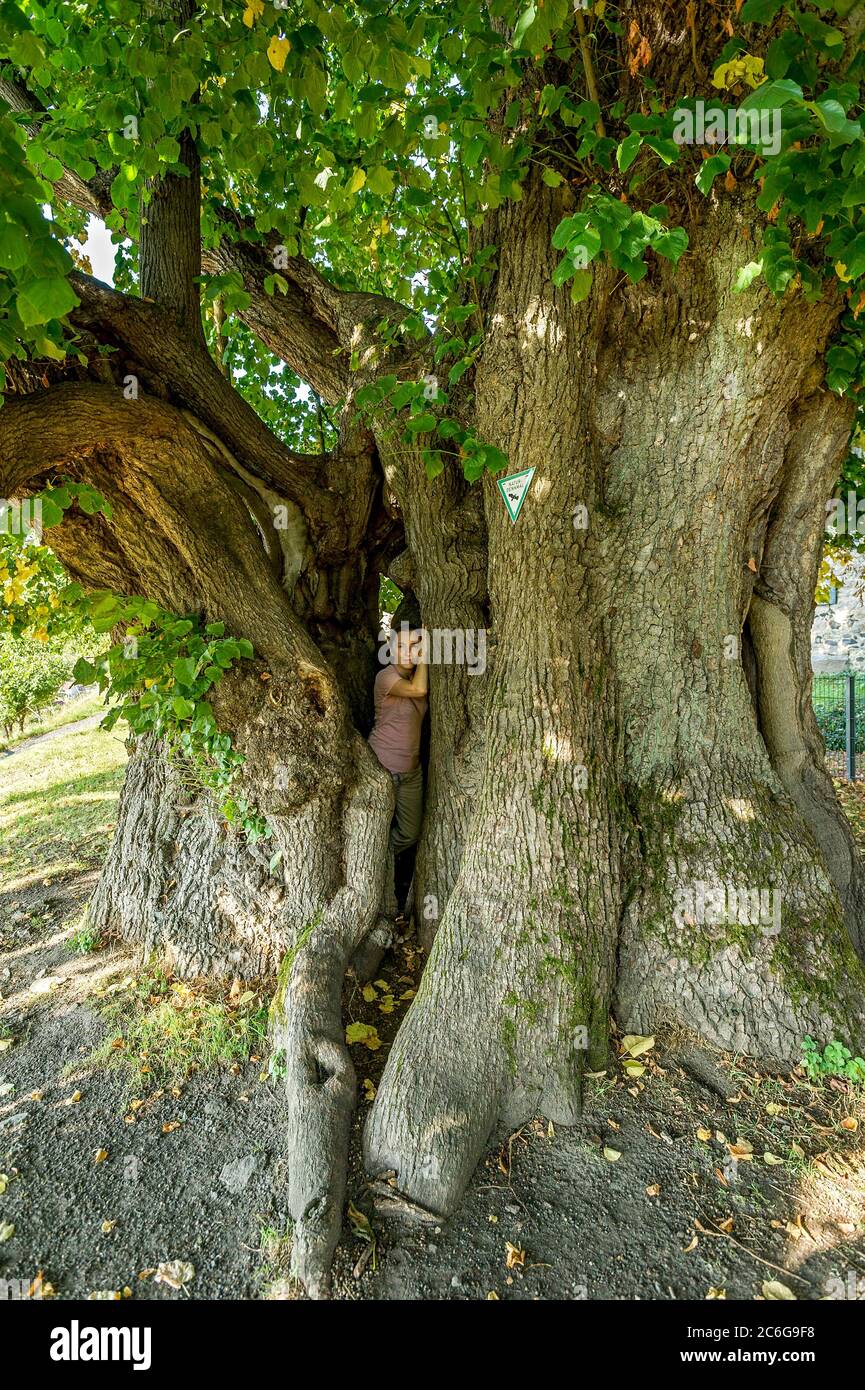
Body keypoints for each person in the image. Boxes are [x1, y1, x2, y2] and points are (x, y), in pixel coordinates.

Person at [368, 625, 428, 910]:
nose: (408, 653)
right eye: (402, 647)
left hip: (412, 772)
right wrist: (426, 650)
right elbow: (419, 690)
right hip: (384, 769)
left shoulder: (415, 674)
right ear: (391, 649)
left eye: (413, 648)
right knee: (375, 827)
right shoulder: (386, 677)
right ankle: (384, 896)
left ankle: (383, 853)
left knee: (410, 833)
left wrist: (422, 635)